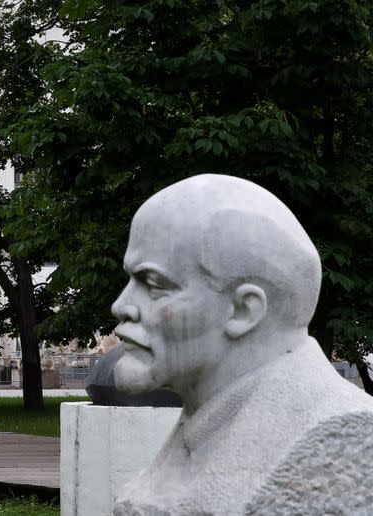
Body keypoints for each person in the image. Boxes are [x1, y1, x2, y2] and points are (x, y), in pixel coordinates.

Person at [110, 174, 373, 515]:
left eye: (155, 285)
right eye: (131, 280)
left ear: (243, 310)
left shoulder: (343, 442)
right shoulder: (204, 422)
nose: (121, 305)